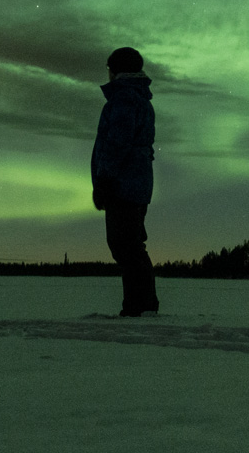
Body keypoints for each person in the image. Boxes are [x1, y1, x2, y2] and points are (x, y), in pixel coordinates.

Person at [91, 46, 159, 317]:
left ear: (115, 69)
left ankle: (138, 307)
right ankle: (142, 304)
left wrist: (105, 179)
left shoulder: (124, 99)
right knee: (130, 245)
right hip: (136, 184)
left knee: (125, 246)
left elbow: (117, 142)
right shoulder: (138, 99)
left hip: (124, 185)